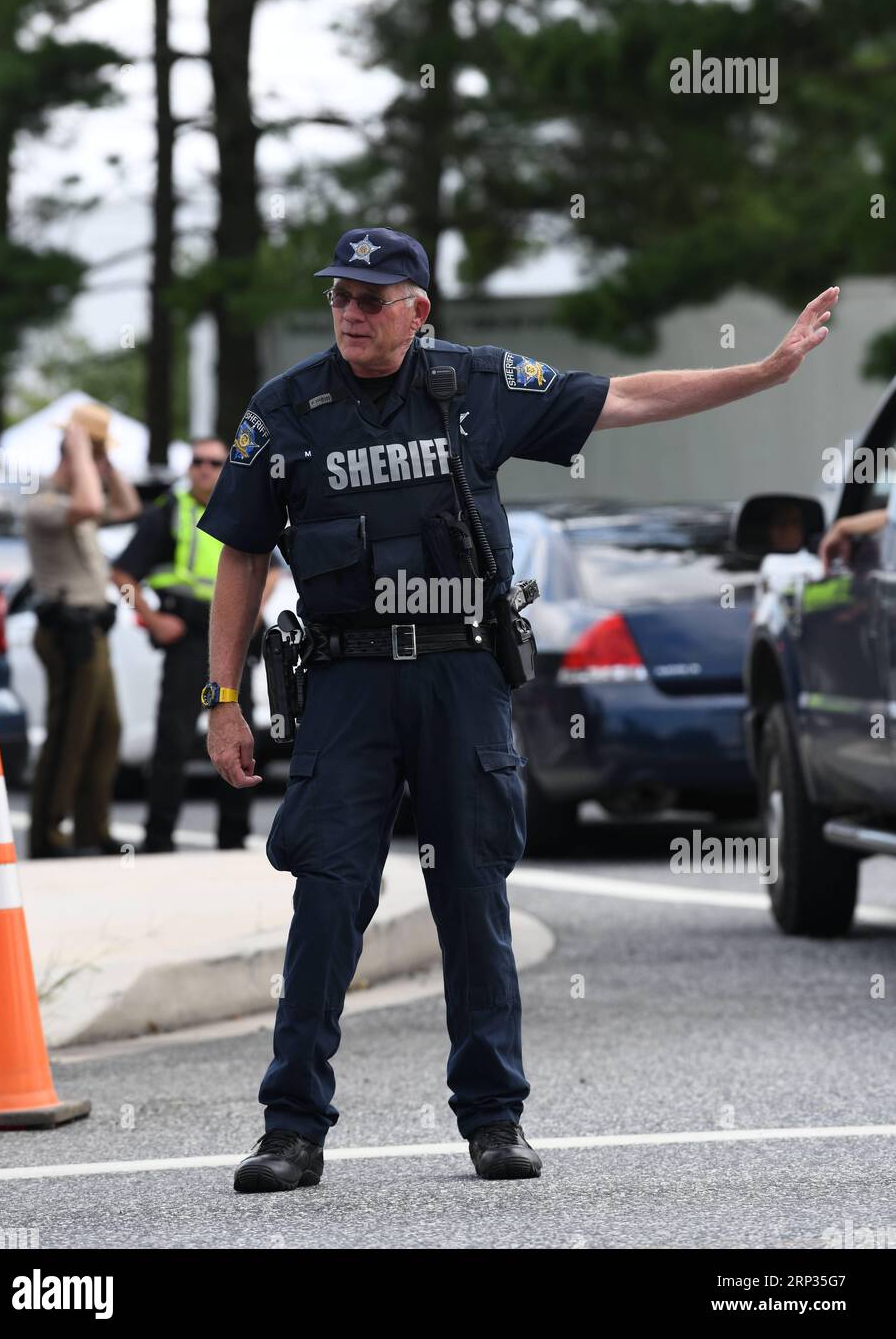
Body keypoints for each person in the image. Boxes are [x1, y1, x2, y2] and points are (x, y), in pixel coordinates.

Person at [197, 224, 839, 1190]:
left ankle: (494, 1120)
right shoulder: (285, 410)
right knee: (328, 897)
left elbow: (623, 398)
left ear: (419, 308)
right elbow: (242, 553)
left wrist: (763, 374)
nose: (352, 312)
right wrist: (221, 697)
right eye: (340, 295)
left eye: (374, 298)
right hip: (346, 683)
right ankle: (291, 1130)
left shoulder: (478, 384)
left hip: (461, 674)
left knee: (473, 893)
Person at [111, 437, 283, 853]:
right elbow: (121, 577)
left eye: (214, 462)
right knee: (173, 737)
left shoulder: (241, 508)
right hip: (187, 635)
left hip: (233, 637)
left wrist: (254, 609)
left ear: (227, 467)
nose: (204, 469)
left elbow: (273, 569)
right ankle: (158, 838)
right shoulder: (169, 513)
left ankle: (233, 836)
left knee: (240, 734)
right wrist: (151, 619)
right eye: (196, 461)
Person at [24, 402, 141, 859]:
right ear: (71, 461)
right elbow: (90, 502)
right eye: (92, 463)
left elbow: (128, 507)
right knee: (67, 735)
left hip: (93, 632)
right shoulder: (46, 503)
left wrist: (106, 463)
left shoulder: (79, 505)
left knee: (106, 729)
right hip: (66, 633)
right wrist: (78, 449)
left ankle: (94, 829)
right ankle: (48, 834)